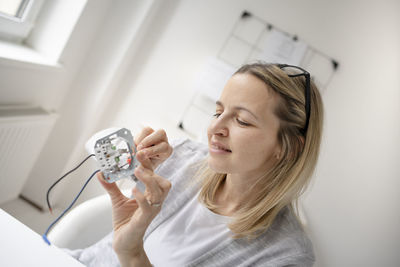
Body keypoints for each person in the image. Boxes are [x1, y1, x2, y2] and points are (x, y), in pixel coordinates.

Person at [67, 62, 323, 266]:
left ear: (289, 147)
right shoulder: (182, 157)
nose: (215, 128)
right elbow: (94, 142)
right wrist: (133, 156)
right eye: (218, 112)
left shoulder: (285, 257)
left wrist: (132, 255)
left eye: (242, 121)